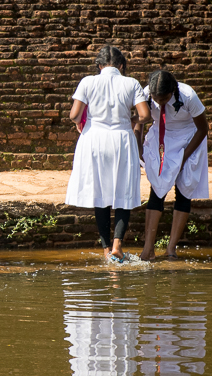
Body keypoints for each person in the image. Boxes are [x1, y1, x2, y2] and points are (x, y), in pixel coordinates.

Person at [65, 45, 152, 262]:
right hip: (122, 139)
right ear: (121, 65)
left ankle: (105, 250)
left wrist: (83, 121)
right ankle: (117, 246)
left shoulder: (88, 81)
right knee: (123, 192)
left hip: (94, 139)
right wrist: (131, 120)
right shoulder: (130, 82)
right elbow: (145, 115)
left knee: (100, 191)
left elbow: (74, 115)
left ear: (99, 65)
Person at [137, 70, 210, 260]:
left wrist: (183, 158)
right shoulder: (145, 94)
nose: (160, 103)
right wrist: (139, 150)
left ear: (172, 91)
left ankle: (171, 248)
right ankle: (148, 249)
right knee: (157, 188)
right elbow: (140, 121)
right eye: (156, 99)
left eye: (164, 99)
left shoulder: (187, 95)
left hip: (189, 139)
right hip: (161, 138)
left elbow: (203, 128)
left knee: (183, 191)